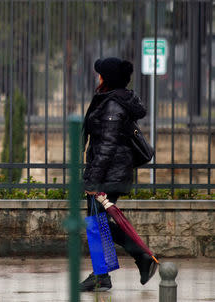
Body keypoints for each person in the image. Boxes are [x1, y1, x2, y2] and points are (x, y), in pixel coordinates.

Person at [80, 57, 158, 291]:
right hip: (111, 172)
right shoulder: (111, 100)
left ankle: (138, 259)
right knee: (97, 223)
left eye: (101, 74)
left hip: (109, 174)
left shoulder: (113, 105)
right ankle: (103, 275)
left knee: (96, 223)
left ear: (108, 78)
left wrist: (93, 180)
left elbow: (107, 146)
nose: (98, 77)